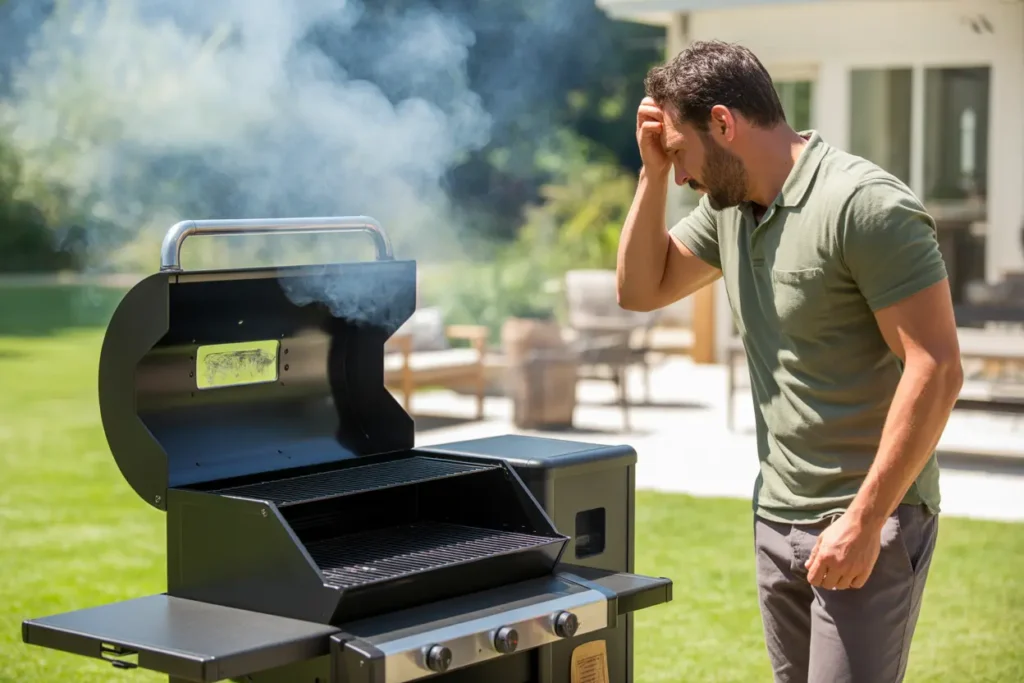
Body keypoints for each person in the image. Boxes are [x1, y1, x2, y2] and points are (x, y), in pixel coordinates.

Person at [616, 40, 963, 683]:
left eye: (681, 152)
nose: (684, 173)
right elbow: (640, 291)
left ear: (724, 123)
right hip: (777, 518)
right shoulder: (728, 210)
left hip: (868, 520)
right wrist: (652, 174)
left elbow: (937, 367)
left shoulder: (863, 205)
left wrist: (864, 522)